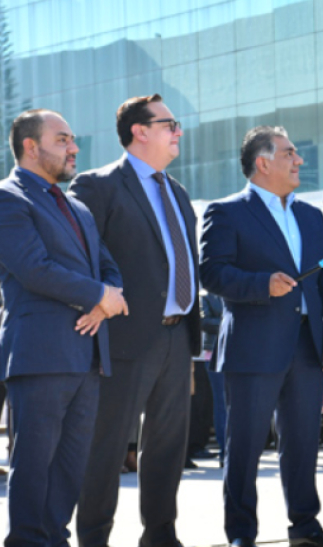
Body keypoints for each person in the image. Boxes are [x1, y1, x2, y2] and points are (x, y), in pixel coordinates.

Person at [200, 126, 323, 547]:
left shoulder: (310, 216)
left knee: (302, 445)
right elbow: (211, 274)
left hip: (307, 348)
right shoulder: (226, 212)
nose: (299, 160)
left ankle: (305, 527)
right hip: (252, 346)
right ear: (262, 163)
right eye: (289, 153)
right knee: (244, 448)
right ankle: (241, 534)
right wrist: (262, 284)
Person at [70, 94, 202, 547]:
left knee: (167, 448)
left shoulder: (177, 190)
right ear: (139, 131)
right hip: (121, 339)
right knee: (105, 448)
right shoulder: (98, 185)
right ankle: (93, 537)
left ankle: (160, 535)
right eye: (170, 123)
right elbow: (77, 256)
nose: (178, 131)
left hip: (176, 336)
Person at [0, 109, 127, 547]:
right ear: (30, 147)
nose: (74, 148)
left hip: (87, 356)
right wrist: (97, 296)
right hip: (40, 355)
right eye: (62, 139)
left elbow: (109, 268)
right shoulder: (8, 198)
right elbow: (34, 269)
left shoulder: (77, 207)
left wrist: (106, 301)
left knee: (70, 468)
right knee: (34, 467)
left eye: (72, 139)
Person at [200, 291, 226, 466]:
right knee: (222, 404)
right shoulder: (205, 296)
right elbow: (204, 322)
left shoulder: (236, 291)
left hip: (240, 353)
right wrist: (230, 321)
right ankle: (225, 450)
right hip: (214, 355)